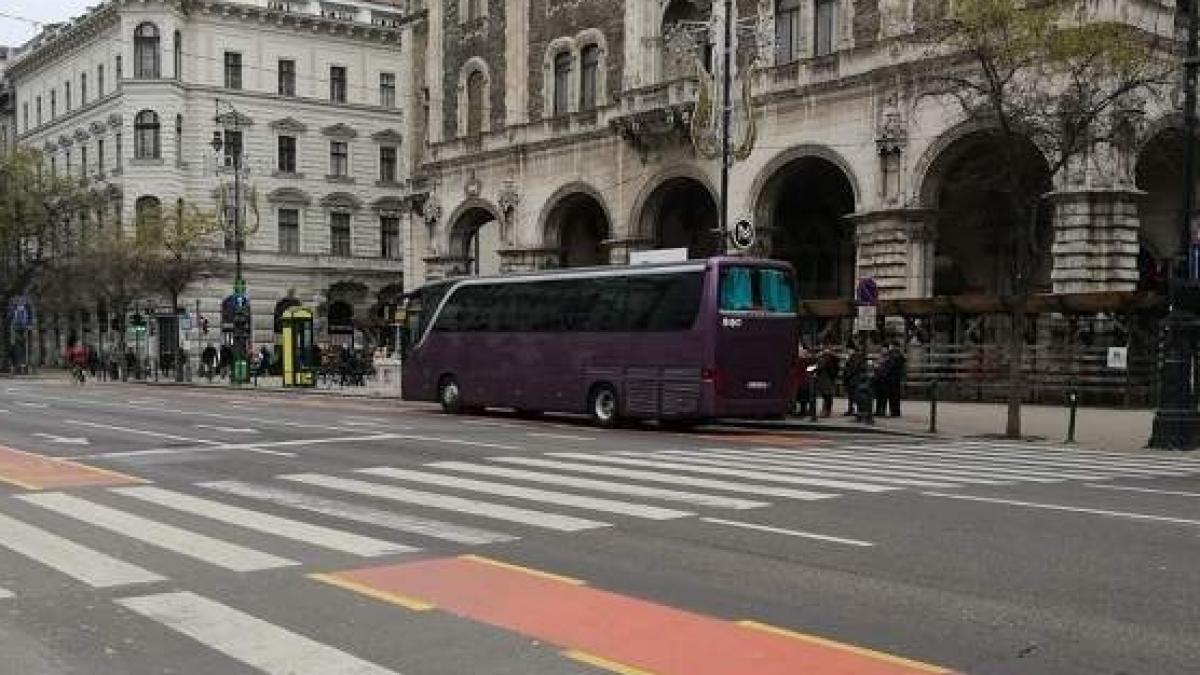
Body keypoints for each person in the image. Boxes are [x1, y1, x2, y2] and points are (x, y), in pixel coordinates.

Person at [813, 346, 840, 418]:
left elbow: (819, 367)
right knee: (828, 396)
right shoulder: (834, 359)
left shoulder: (826, 359)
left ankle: (825, 411)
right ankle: (827, 411)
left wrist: (812, 368)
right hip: (830, 378)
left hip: (825, 379)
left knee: (826, 395)